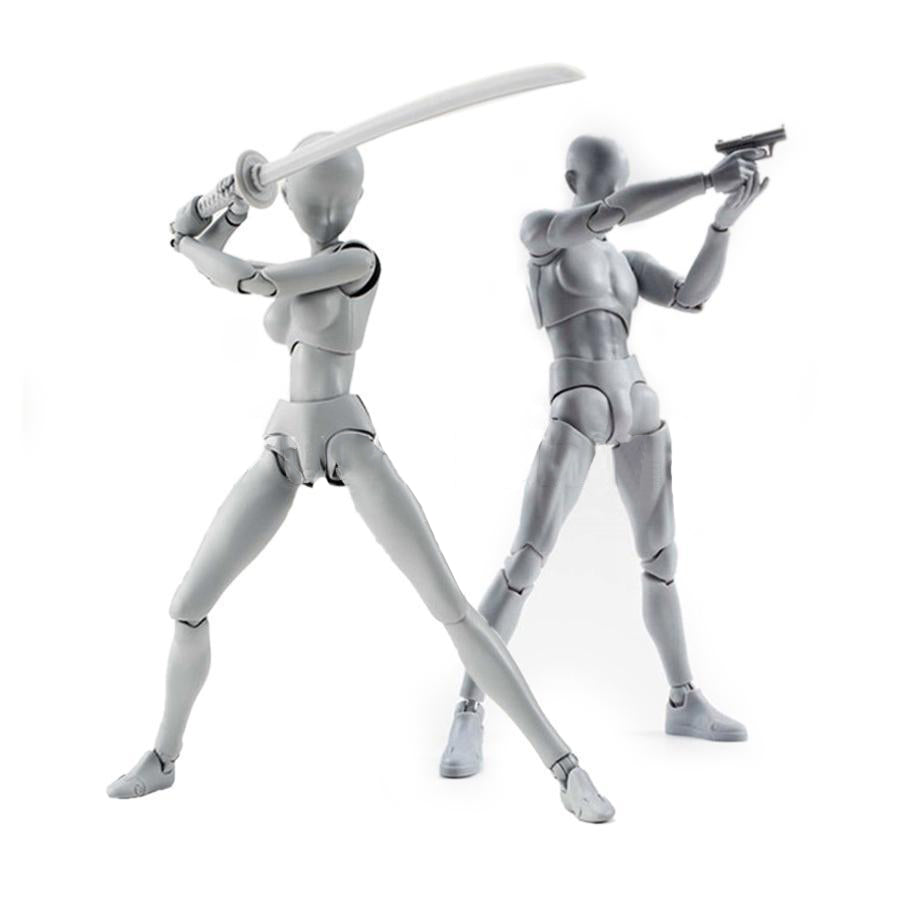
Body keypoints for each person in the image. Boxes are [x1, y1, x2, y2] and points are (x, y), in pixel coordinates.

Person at [107, 134, 614, 823]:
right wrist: (227, 204)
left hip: (347, 439)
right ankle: (163, 759)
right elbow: (212, 251)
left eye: (343, 193)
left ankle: (566, 768)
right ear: (289, 197)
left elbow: (247, 278)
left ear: (359, 200)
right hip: (284, 444)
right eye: (318, 192)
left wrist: (184, 242)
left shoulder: (357, 260)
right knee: (187, 605)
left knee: (452, 608)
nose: (333, 205)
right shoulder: (305, 263)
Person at [440, 136, 766, 778]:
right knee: (525, 562)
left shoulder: (627, 261)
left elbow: (692, 295)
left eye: (621, 178)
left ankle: (683, 699)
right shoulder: (544, 234)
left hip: (637, 402)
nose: (615, 190)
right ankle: (468, 709)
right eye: (604, 179)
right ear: (573, 178)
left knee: (662, 562)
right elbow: (611, 213)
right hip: (579, 401)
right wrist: (705, 180)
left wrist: (723, 221)